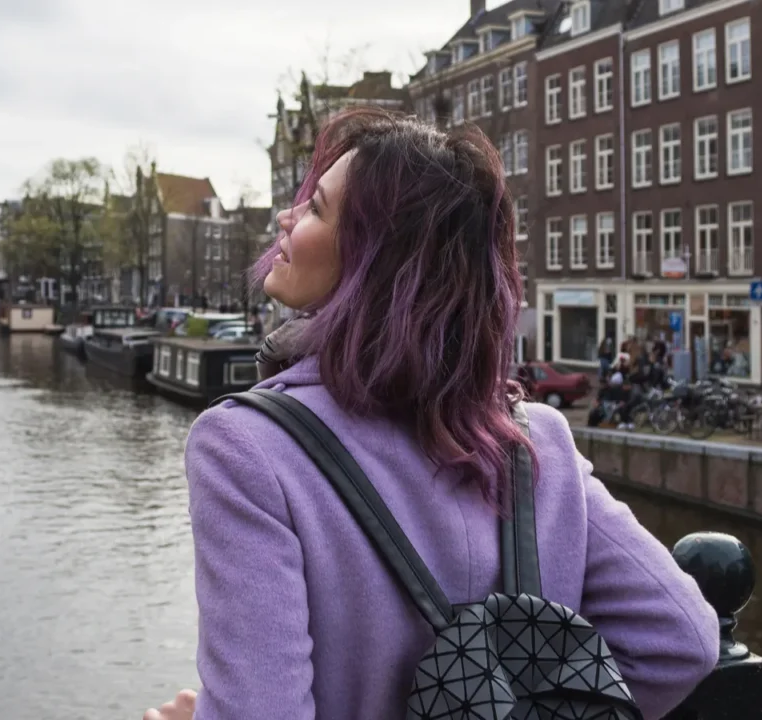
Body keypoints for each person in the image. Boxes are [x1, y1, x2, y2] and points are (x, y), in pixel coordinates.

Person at [144, 109, 717, 720]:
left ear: (376, 259)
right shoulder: (534, 439)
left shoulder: (245, 449)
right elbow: (684, 641)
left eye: (315, 209)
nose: (287, 217)